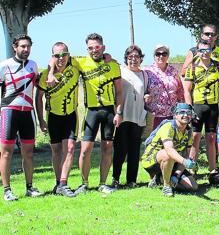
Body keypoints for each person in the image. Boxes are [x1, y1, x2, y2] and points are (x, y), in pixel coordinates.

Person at [48, 33, 123, 195]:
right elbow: (56, 57)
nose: (94, 50)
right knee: (84, 150)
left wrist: (119, 112)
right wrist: (50, 73)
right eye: (90, 48)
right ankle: (85, 183)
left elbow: (119, 92)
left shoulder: (114, 65)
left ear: (103, 47)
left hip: (109, 111)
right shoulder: (80, 62)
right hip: (91, 111)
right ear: (87, 49)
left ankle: (103, 183)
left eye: (97, 47)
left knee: (107, 148)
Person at [0, 35, 41, 201]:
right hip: (9, 111)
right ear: (15, 47)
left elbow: (40, 87)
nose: (26, 50)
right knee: (6, 153)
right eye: (23, 46)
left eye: (28, 46)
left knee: (28, 152)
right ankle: (7, 190)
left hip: (27, 112)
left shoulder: (33, 65)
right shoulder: (4, 65)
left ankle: (29, 187)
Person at [36, 42, 79, 197]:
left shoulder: (75, 68)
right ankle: (58, 183)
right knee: (56, 151)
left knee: (70, 148)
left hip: (71, 115)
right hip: (53, 116)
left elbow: (94, 61)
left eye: (64, 54)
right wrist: (41, 120)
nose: (61, 58)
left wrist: (108, 58)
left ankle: (63, 183)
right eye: (57, 55)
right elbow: (38, 97)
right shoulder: (44, 75)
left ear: (69, 54)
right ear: (52, 57)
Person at [183, 40, 219, 173]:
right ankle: (192, 167)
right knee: (195, 137)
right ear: (198, 51)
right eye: (201, 50)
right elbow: (187, 90)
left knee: (211, 137)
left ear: (211, 51)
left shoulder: (218, 66)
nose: (205, 53)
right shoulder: (193, 67)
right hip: (198, 106)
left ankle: (212, 168)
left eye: (207, 50)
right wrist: (190, 108)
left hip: (213, 106)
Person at [112, 45, 150, 189]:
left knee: (134, 151)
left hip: (138, 117)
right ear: (126, 58)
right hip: (123, 116)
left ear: (141, 59)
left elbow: (145, 91)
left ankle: (131, 180)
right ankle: (115, 178)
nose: (133, 59)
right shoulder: (120, 71)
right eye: (130, 57)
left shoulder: (144, 75)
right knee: (120, 150)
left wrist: (147, 96)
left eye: (136, 57)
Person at [140, 103, 198, 197]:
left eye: (188, 113)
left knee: (193, 187)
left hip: (173, 162)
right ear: (175, 115)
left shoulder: (189, 131)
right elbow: (169, 150)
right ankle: (166, 186)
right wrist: (185, 162)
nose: (185, 115)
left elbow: (186, 155)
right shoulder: (168, 127)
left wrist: (177, 175)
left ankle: (159, 179)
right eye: (182, 112)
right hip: (151, 161)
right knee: (168, 155)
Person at [145, 45, 184, 128]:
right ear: (154, 56)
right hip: (154, 115)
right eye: (158, 54)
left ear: (168, 56)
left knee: (171, 139)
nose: (161, 56)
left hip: (173, 115)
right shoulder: (147, 71)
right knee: (155, 140)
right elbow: (143, 90)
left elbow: (180, 91)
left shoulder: (174, 71)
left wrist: (182, 109)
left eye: (164, 54)